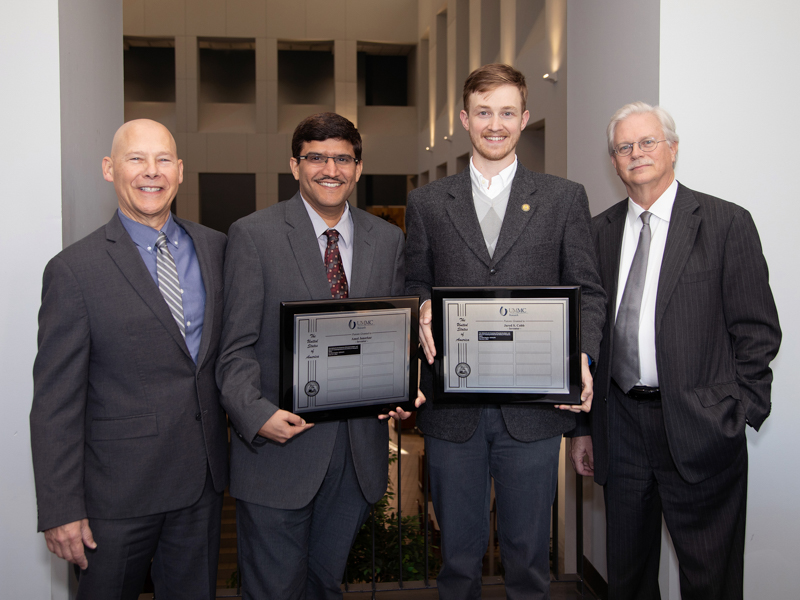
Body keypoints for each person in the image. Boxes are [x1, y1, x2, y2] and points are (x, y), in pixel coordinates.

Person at [404, 64, 606, 599]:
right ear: (466, 119)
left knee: (529, 563)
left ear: (525, 118)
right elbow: (414, 282)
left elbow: (586, 291)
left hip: (533, 413)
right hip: (453, 414)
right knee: (458, 563)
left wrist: (581, 357)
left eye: (508, 112)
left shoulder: (564, 198)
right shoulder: (428, 202)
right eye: (485, 112)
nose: (496, 124)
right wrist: (422, 307)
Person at [570, 101, 781, 600]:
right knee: (628, 579)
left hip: (701, 429)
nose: (636, 154)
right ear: (613, 160)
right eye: (624, 147)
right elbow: (586, 335)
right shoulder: (596, 234)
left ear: (673, 148)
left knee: (711, 580)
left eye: (647, 142)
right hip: (618, 429)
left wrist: (738, 412)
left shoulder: (726, 223)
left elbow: (757, 331)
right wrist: (583, 427)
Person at [216, 112, 423, 600]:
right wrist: (256, 414)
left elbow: (392, 334)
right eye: (316, 157)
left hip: (355, 457)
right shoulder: (254, 234)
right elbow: (235, 349)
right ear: (295, 165)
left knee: (326, 587)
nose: (330, 168)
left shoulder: (388, 239)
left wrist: (402, 383)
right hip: (277, 453)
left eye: (342, 158)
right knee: (273, 592)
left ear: (358, 166)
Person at [30, 119, 229, 599]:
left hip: (200, 487)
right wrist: (60, 508)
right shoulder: (74, 271)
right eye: (135, 159)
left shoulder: (218, 248)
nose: (151, 172)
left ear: (180, 171)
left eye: (163, 160)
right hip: (114, 498)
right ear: (109, 168)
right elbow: (56, 401)